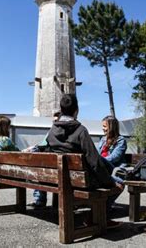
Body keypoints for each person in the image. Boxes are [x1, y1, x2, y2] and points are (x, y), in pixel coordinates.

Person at [42, 94, 123, 228]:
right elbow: (94, 161)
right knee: (119, 183)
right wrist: (109, 181)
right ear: (76, 110)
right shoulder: (80, 131)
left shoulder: (51, 131)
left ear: (61, 109)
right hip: (79, 181)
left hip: (57, 178)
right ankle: (96, 218)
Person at [27, 111, 61, 209]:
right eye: (53, 121)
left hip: (53, 171)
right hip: (55, 169)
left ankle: (39, 200)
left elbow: (41, 146)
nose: (54, 123)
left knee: (39, 173)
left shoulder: (52, 132)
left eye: (56, 120)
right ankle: (40, 200)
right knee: (40, 173)